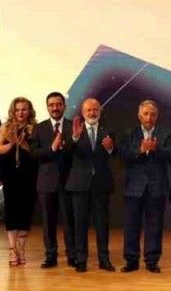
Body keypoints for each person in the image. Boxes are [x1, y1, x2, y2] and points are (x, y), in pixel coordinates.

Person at [119, 99, 171, 273]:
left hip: (157, 186)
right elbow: (123, 155)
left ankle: (152, 261)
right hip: (134, 187)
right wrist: (140, 150)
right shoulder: (130, 133)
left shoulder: (165, 133)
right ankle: (131, 260)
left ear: (157, 116)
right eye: (146, 114)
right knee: (131, 225)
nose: (149, 117)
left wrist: (155, 149)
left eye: (153, 114)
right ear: (139, 115)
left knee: (155, 225)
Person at [68, 97, 117, 272]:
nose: (92, 113)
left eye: (95, 109)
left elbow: (115, 154)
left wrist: (110, 148)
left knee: (102, 224)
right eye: (88, 110)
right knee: (80, 224)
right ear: (83, 113)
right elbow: (67, 151)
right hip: (79, 184)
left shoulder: (108, 131)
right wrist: (75, 137)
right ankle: (81, 259)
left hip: (100, 185)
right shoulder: (74, 130)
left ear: (100, 112)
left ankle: (104, 260)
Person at [31, 91, 75, 268]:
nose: (55, 108)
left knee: (69, 221)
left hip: (69, 182)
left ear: (64, 106)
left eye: (58, 104)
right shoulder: (39, 128)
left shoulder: (73, 126)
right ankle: (51, 256)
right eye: (51, 105)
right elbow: (34, 153)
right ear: (47, 107)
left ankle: (72, 255)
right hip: (46, 183)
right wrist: (52, 148)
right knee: (48, 222)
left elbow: (79, 152)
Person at [0, 96, 39, 265]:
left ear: (29, 111)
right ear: (13, 111)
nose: (20, 113)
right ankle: (12, 250)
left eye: (24, 109)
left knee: (26, 211)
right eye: (17, 109)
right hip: (10, 175)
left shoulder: (35, 128)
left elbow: (36, 152)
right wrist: (11, 144)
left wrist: (22, 145)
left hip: (29, 175)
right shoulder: (6, 127)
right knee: (11, 210)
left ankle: (21, 249)